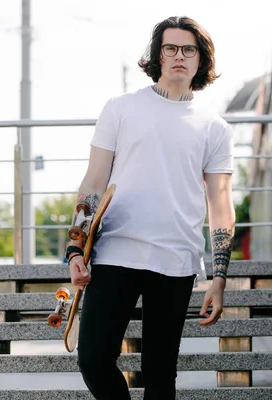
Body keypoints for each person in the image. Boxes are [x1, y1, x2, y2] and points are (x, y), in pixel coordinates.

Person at [63, 16, 236, 400]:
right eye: (170, 48)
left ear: (200, 59)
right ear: (157, 55)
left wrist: (219, 278)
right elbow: (93, 182)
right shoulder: (120, 108)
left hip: (176, 259)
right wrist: (76, 247)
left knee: (160, 374)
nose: (179, 56)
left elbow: (220, 204)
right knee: (93, 359)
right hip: (115, 252)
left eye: (188, 49)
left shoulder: (215, 127)